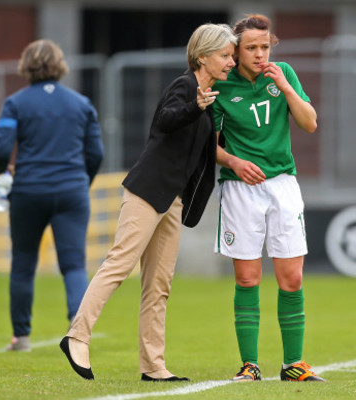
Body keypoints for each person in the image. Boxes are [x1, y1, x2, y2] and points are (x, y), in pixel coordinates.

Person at [59, 23, 237, 381]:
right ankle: (76, 336)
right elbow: (165, 122)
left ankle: (153, 366)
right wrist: (194, 106)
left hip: (173, 201)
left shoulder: (211, 96)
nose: (230, 62)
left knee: (159, 285)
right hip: (147, 192)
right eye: (225, 55)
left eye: (232, 56)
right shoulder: (185, 87)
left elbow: (203, 153)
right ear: (202, 56)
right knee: (119, 265)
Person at [212, 14, 324, 382]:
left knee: (291, 278)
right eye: (251, 48)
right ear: (235, 50)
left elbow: (309, 123)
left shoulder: (284, 73)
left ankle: (294, 364)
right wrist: (233, 161)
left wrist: (287, 88)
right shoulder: (221, 83)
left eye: (265, 46)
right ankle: (250, 365)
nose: (260, 55)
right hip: (239, 188)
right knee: (247, 278)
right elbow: (205, 145)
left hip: (282, 185)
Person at [0, 39, 104, 351]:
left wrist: (4, 170)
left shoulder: (16, 103)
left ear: (26, 65)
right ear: (59, 64)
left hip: (28, 190)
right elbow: (96, 153)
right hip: (72, 190)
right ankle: (79, 334)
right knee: (73, 265)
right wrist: (82, 181)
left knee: (23, 263)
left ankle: (21, 337)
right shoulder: (81, 103)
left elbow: (1, 149)